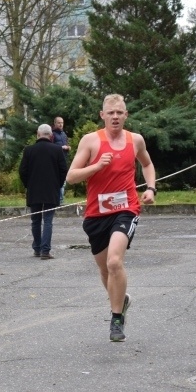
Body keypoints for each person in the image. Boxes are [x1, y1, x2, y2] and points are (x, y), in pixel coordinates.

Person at [66, 94, 156, 342]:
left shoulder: (135, 140)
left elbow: (147, 164)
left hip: (126, 208)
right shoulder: (91, 141)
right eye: (111, 112)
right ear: (102, 115)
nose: (115, 116)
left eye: (120, 112)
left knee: (115, 262)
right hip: (96, 213)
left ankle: (116, 319)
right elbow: (71, 176)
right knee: (105, 269)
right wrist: (96, 167)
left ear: (126, 115)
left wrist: (150, 188)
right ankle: (121, 300)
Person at [19, 123, 68, 259]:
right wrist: (57, 184)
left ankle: (37, 248)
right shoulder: (57, 150)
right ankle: (45, 251)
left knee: (35, 221)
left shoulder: (29, 150)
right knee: (48, 221)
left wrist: (28, 184)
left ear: (38, 134)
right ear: (51, 136)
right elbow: (63, 169)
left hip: (34, 190)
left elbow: (22, 171)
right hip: (50, 190)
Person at [52, 116, 71, 203]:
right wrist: (61, 147)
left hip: (64, 159)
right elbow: (50, 147)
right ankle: (59, 200)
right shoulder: (52, 134)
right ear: (55, 123)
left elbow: (66, 144)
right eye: (59, 123)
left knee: (63, 180)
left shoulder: (64, 134)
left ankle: (61, 199)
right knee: (57, 181)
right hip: (55, 161)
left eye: (62, 123)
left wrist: (68, 147)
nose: (61, 124)